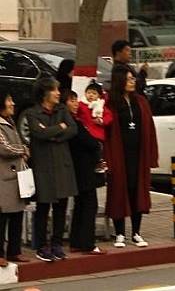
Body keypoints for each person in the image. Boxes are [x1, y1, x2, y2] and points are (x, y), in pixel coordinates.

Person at [106, 66, 158, 248]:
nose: (132, 81)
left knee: (138, 190)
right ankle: (119, 233)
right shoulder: (110, 103)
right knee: (119, 190)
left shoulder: (141, 101)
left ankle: (136, 232)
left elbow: (150, 128)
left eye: (133, 78)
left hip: (138, 154)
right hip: (119, 153)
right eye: (128, 78)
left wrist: (152, 154)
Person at [27, 77, 78, 262]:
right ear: (45, 92)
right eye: (55, 90)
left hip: (62, 165)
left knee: (61, 206)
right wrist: (59, 128)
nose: (58, 93)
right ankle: (41, 246)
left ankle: (57, 243)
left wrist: (52, 133)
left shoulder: (62, 110)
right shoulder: (33, 113)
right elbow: (38, 133)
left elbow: (73, 129)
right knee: (43, 207)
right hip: (44, 167)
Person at [65, 91, 105, 254]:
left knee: (80, 204)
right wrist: (96, 145)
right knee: (89, 204)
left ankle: (76, 241)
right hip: (83, 168)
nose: (75, 103)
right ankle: (88, 243)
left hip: (79, 168)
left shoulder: (72, 120)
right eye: (71, 100)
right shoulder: (72, 122)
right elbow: (88, 142)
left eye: (76, 100)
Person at [0, 87, 29, 265]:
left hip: (15, 177)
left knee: (17, 214)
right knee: (2, 217)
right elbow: (4, 148)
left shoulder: (9, 121)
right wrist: (23, 150)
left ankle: (14, 251)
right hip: (3, 179)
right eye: (9, 100)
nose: (13, 103)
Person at [77, 82, 111, 173]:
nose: (91, 95)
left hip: (98, 133)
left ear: (99, 96)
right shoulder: (81, 104)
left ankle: (99, 162)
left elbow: (109, 117)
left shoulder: (101, 106)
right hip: (86, 132)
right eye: (89, 92)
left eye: (94, 93)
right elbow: (76, 114)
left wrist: (102, 121)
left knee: (98, 147)